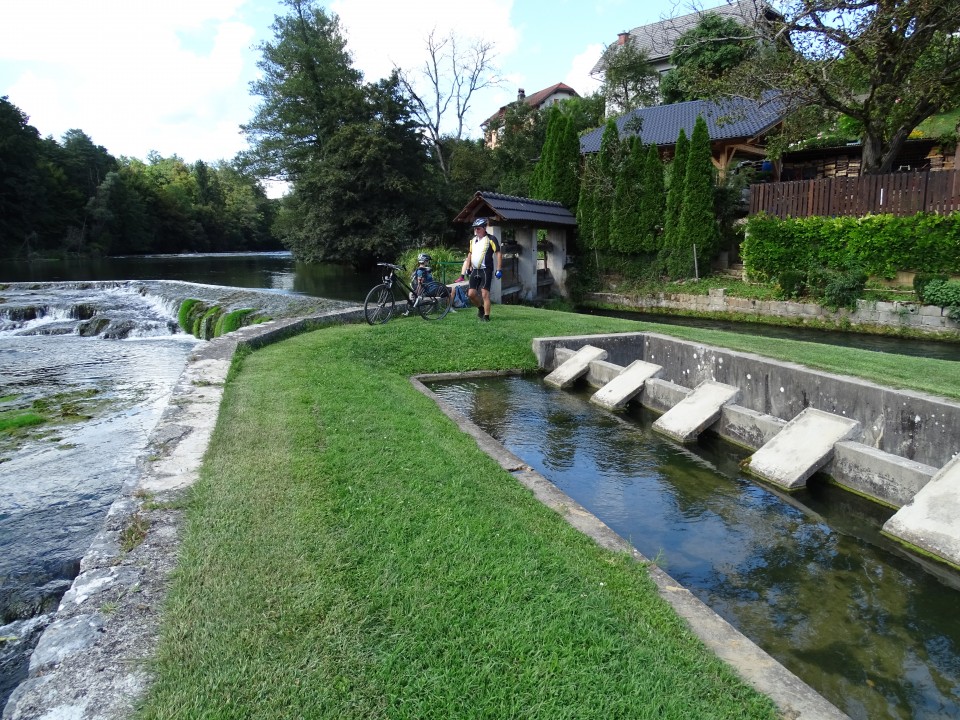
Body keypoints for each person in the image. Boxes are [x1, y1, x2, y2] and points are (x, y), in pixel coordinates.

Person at [458, 217, 503, 322]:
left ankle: (486, 317)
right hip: (475, 270)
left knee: (484, 294)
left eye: (478, 228)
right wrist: (468, 267)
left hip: (486, 270)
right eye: (475, 229)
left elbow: (498, 254)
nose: (476, 230)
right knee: (471, 294)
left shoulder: (491, 239)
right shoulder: (473, 240)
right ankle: (481, 309)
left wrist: (499, 269)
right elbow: (470, 254)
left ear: (484, 228)